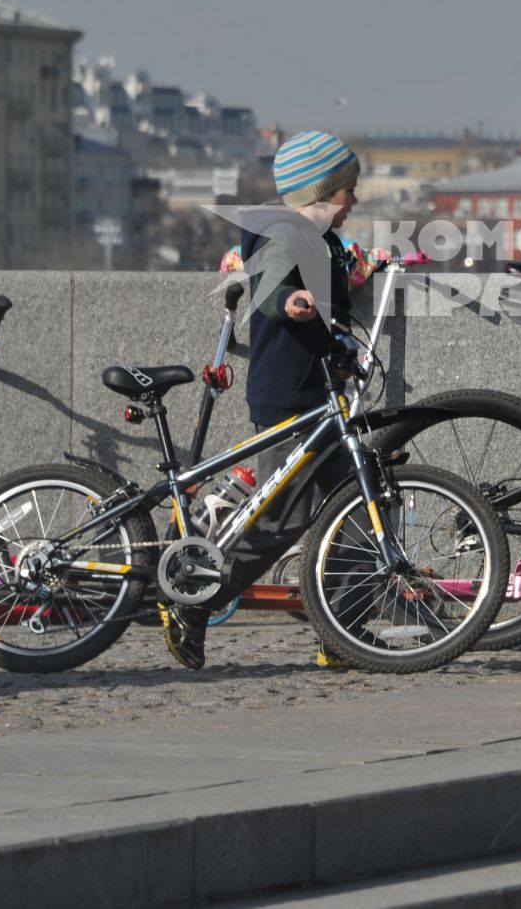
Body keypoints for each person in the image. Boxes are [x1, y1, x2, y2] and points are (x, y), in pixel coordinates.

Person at [158, 129, 362, 670]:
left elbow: (331, 305)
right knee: (282, 517)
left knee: (357, 506)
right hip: (289, 398)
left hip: (319, 396)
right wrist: (289, 299)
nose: (355, 200)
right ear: (321, 193)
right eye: (349, 190)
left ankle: (343, 629)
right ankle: (195, 601)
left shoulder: (322, 240)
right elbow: (272, 285)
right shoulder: (282, 233)